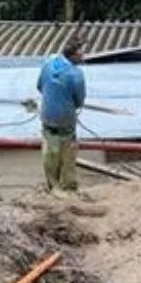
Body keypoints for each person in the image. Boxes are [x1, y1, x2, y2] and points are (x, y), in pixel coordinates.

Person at [36, 39, 86, 195]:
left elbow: (39, 86)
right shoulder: (76, 74)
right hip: (66, 121)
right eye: (81, 54)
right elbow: (79, 101)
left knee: (50, 155)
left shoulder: (48, 64)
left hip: (47, 119)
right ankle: (68, 188)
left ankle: (52, 186)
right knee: (68, 156)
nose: (83, 57)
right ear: (73, 56)